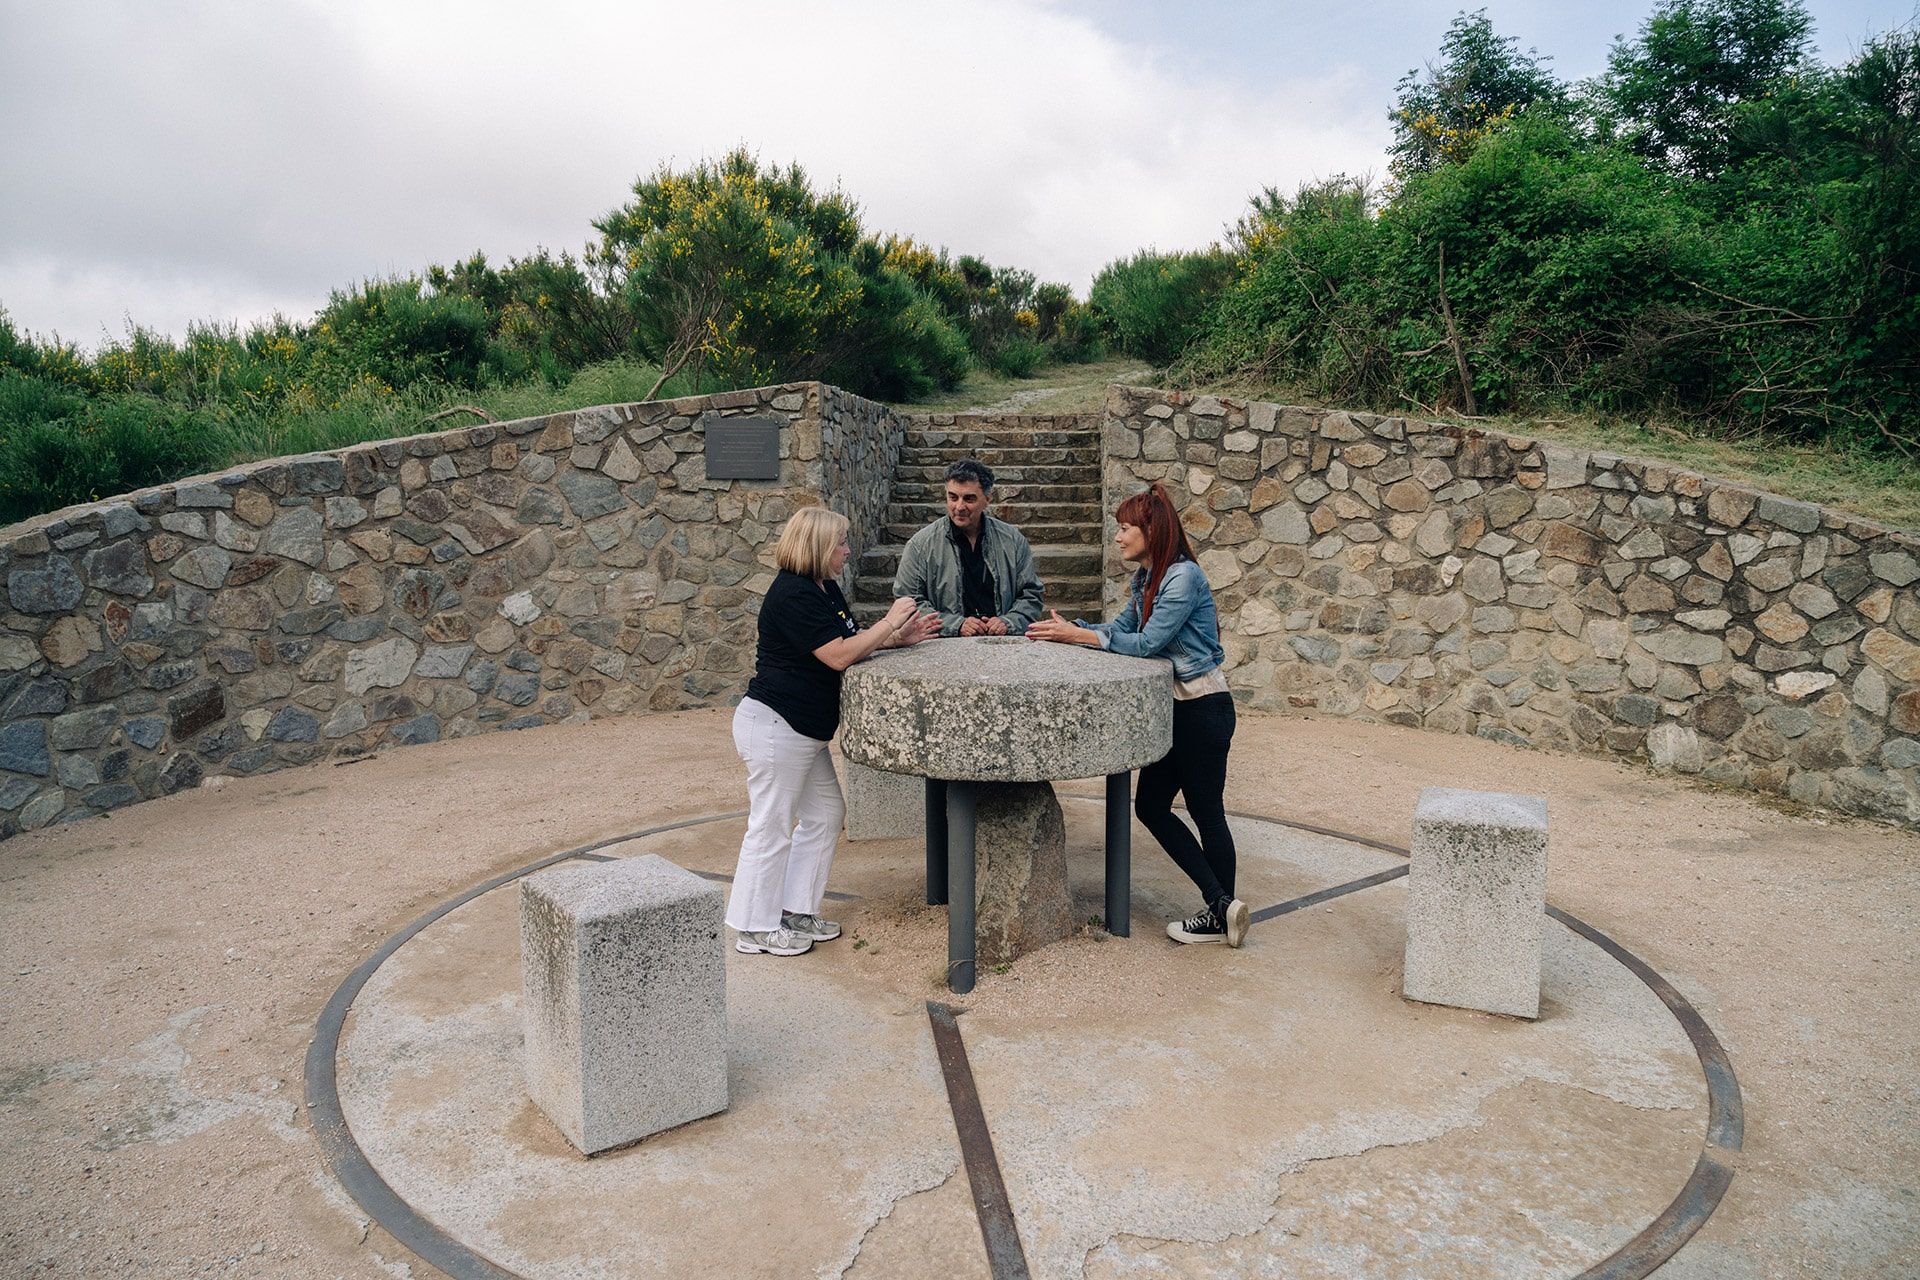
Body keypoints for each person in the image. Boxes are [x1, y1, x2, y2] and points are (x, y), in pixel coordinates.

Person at [1027, 482, 1248, 948]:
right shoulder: (1148, 578)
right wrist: (1075, 629)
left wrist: (1080, 637)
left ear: (1153, 531)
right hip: (1176, 710)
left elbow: (1147, 644)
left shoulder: (1183, 578)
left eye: (1126, 528)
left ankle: (1219, 913)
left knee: (1207, 812)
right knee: (1150, 806)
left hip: (1203, 708)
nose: (1118, 537)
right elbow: (1121, 629)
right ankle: (1223, 905)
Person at [727, 507, 940, 956]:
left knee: (825, 814)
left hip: (803, 731)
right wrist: (890, 621)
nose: (847, 550)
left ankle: (795, 910)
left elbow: (846, 640)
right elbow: (838, 656)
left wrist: (896, 639)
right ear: (819, 546)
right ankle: (754, 927)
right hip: (777, 725)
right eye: (841, 542)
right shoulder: (793, 593)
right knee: (771, 825)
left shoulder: (823, 587)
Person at [892, 459, 1046, 637]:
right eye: (953, 497)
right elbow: (908, 601)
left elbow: (1031, 594)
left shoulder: (1013, 541)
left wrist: (1009, 622)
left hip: (1001, 642)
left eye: (969, 499)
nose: (959, 507)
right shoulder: (921, 545)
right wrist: (955, 625)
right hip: (944, 644)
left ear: (987, 499)